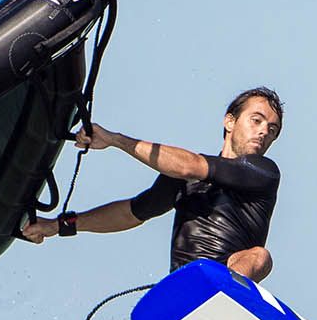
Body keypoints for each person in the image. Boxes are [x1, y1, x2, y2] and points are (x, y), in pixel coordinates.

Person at [20, 87, 283, 282]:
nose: (263, 131)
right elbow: (131, 213)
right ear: (230, 121)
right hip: (182, 291)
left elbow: (190, 165)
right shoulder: (184, 179)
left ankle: (225, 297)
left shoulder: (263, 173)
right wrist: (58, 226)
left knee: (260, 257)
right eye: (256, 120)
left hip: (227, 284)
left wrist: (116, 140)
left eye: (272, 129)